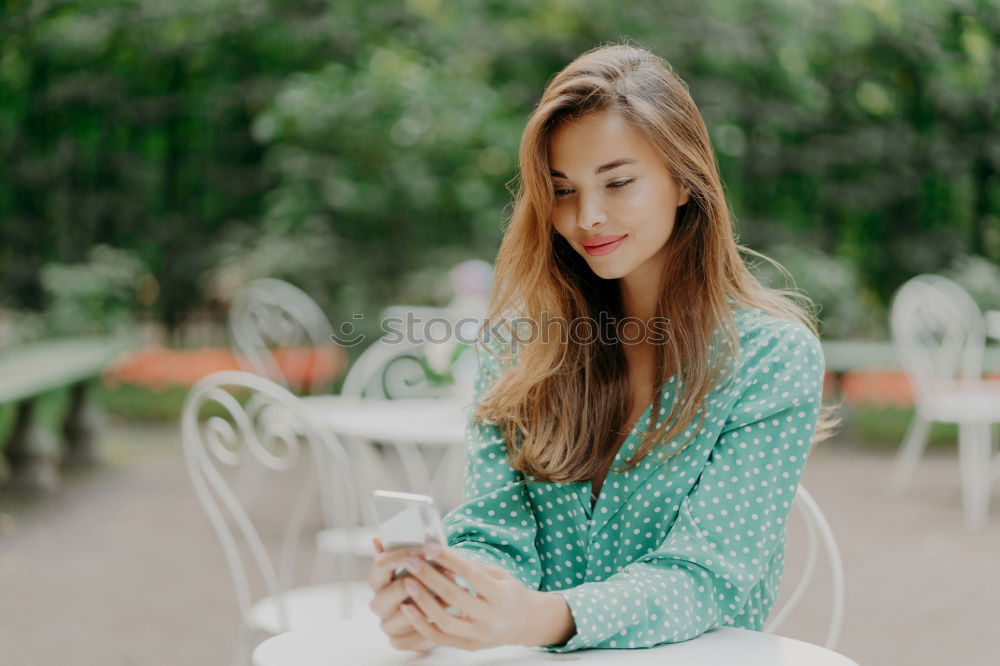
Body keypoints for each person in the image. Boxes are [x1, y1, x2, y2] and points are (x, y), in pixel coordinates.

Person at [367, 41, 836, 653]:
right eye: (563, 189)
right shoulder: (521, 347)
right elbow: (494, 533)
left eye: (618, 183)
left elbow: (709, 576)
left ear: (683, 180)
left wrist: (539, 618)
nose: (587, 216)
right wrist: (448, 598)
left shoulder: (773, 360)